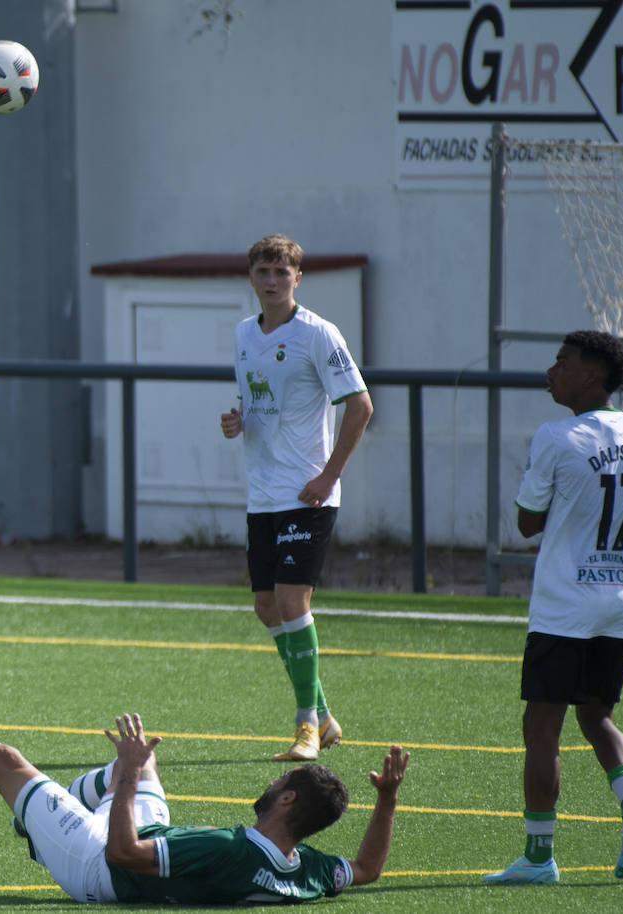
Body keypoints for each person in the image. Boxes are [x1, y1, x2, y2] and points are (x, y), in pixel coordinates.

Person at [0, 613, 410, 904]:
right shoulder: (305, 870)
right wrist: (385, 799)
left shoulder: (228, 849)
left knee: (7, 763)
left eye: (281, 779)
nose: (272, 781)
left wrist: (125, 781)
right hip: (139, 846)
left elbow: (124, 854)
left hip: (97, 866)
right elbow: (367, 869)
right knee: (142, 762)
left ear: (287, 798)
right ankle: (38, 816)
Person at [485, 330, 623, 886]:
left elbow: (526, 524)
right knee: (596, 716)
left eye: (562, 363)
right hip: (620, 600)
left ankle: (539, 856)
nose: (552, 371)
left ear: (591, 376)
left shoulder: (555, 435)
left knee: (541, 723)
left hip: (564, 604)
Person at [220, 234, 373, 762]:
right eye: (262, 271)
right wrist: (238, 420)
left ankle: (306, 726)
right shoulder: (243, 333)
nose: (271, 280)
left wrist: (330, 476)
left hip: (307, 493)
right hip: (262, 493)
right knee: (267, 609)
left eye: (281, 272)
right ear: (251, 277)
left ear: (297, 279)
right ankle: (326, 715)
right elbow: (257, 400)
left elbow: (360, 405)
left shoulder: (317, 333)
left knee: (291, 602)